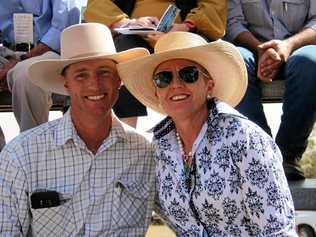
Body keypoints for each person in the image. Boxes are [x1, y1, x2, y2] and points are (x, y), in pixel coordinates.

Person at [118, 32, 297, 236]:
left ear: (209, 84)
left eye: (188, 74)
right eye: (163, 79)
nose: (176, 84)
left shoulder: (245, 139)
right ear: (157, 92)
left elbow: (277, 232)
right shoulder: (158, 149)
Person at [0, 23, 156, 236]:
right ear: (66, 84)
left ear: (119, 80)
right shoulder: (21, 155)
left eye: (104, 72)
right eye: (81, 75)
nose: (94, 85)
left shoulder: (146, 154)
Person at [83, 0, 227, 128]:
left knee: (188, 57)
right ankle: (126, 131)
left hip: (184, 33)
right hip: (135, 35)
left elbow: (214, 5)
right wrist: (128, 23)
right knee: (125, 55)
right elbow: (97, 4)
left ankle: (195, 129)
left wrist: (186, 26)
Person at [225, 0, 316, 180]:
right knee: (235, 62)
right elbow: (233, 23)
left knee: (310, 63)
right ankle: (262, 153)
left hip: (299, 46)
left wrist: (288, 45)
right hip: (252, 48)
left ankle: (288, 154)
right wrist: (260, 49)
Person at [0, 0, 84, 134]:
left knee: (27, 75)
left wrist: (22, 59)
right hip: (7, 51)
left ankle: (32, 146)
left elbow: (64, 29)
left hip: (51, 51)